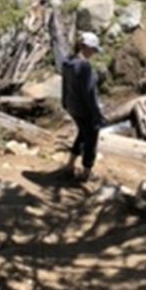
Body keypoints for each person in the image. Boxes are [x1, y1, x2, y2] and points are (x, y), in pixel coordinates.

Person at [61, 31, 105, 182]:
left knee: (82, 133)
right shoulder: (84, 67)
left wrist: (64, 102)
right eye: (93, 50)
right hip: (84, 109)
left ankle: (69, 166)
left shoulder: (67, 62)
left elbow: (64, 84)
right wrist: (97, 115)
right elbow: (90, 94)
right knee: (91, 138)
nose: (93, 53)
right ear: (86, 47)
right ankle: (86, 173)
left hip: (72, 106)